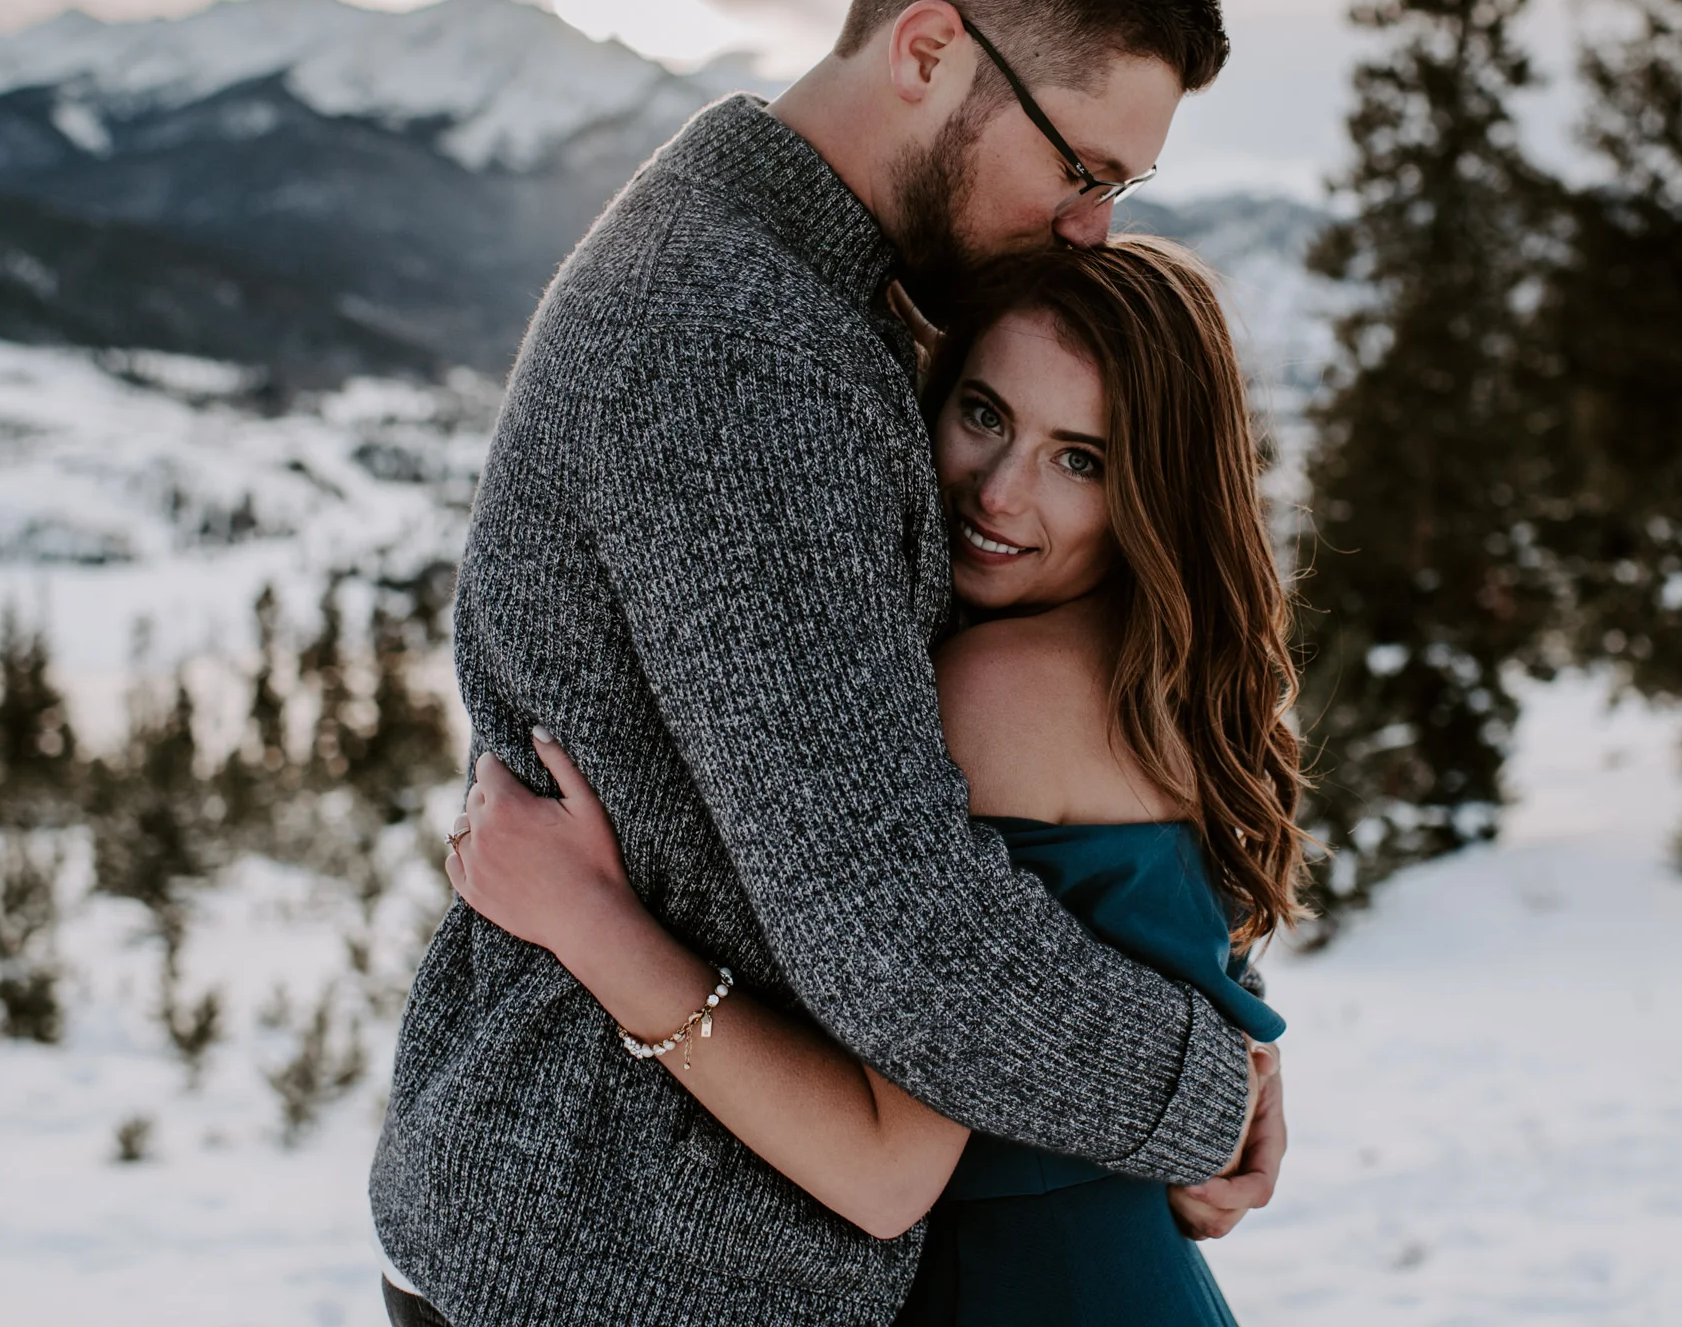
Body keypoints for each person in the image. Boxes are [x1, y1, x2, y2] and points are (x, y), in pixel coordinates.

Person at [368, 0, 1283, 1327]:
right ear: (932, 51)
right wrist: (1201, 1094)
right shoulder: (742, 341)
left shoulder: (820, 296)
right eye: (1083, 167)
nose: (1092, 228)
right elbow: (895, 925)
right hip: (621, 1259)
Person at [450, 236, 1310, 1326]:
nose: (1000, 494)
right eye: (987, 416)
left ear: (1154, 493)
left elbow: (882, 1169)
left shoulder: (998, 686)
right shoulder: (1158, 675)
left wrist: (588, 918)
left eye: (1079, 460)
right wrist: (1224, 1094)